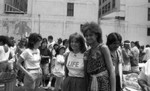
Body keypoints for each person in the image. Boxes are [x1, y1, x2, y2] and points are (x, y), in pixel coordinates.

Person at [81, 22, 116, 91]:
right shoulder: (87, 52)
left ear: (96, 35)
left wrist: (113, 89)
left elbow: (111, 70)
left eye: (91, 35)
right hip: (91, 84)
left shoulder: (103, 48)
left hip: (104, 84)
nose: (88, 37)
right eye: (86, 36)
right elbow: (86, 74)